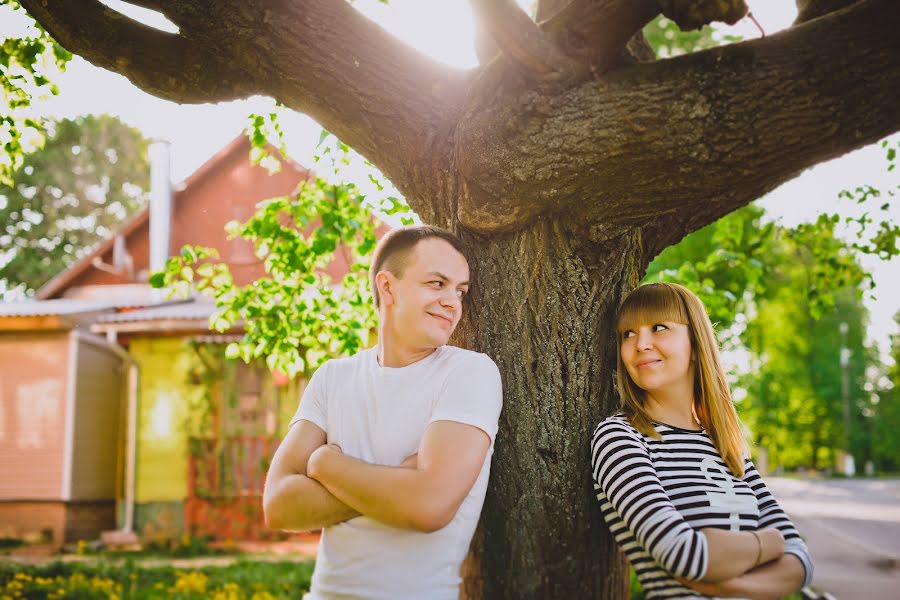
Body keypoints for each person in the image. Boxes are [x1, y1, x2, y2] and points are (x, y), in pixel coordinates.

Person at [263, 225, 503, 600]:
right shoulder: (333, 377)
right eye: (437, 284)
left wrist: (328, 466)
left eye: (460, 291)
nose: (453, 301)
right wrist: (399, 481)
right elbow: (279, 506)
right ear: (388, 287)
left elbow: (429, 506)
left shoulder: (469, 373)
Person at [591, 282, 813, 599]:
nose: (641, 343)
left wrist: (733, 586)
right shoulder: (620, 438)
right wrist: (768, 543)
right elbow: (684, 555)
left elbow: (800, 561)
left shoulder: (727, 445)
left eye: (658, 328)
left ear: (695, 343)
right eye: (628, 333)